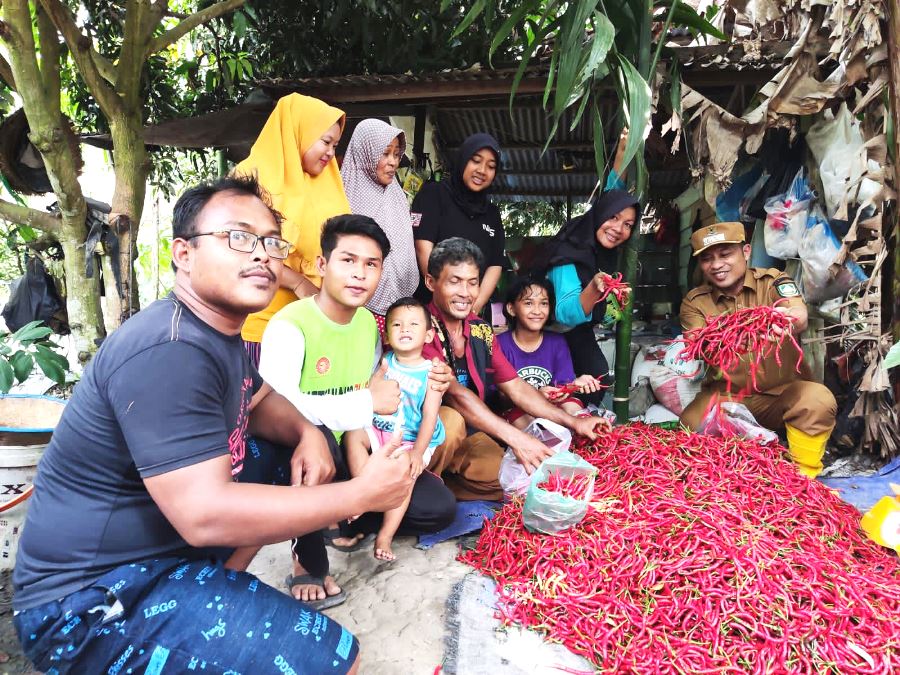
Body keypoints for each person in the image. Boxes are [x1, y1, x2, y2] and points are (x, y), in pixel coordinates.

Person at [11, 175, 413, 674]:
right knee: (337, 663)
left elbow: (265, 401)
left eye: (271, 242)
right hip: (91, 602)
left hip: (163, 553)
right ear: (183, 253)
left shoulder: (221, 335)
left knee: (277, 449)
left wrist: (309, 434)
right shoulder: (170, 349)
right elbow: (205, 513)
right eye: (238, 238)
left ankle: (213, 594)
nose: (262, 255)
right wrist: (364, 495)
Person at [258, 215, 456, 602]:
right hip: (301, 448)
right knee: (312, 450)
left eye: (371, 264)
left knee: (439, 508)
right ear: (321, 265)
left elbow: (379, 389)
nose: (359, 274)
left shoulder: (368, 325)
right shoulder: (289, 325)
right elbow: (276, 407)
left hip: (356, 447)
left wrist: (433, 379)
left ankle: (337, 515)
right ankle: (307, 557)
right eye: (348, 260)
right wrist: (364, 403)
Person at [421, 237, 608, 500]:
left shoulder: (480, 330)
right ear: (431, 282)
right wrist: (517, 439)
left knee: (507, 480)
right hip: (424, 432)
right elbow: (457, 397)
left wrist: (575, 422)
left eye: (472, 283)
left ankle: (442, 490)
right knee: (450, 423)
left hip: (471, 430)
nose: (465, 292)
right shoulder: (420, 327)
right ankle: (416, 487)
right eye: (455, 281)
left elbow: (516, 386)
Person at [678, 221, 837, 476]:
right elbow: (697, 344)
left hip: (781, 396)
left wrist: (786, 320)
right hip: (728, 397)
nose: (717, 265)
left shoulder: (773, 281)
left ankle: (803, 477)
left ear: (746, 251)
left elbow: (798, 313)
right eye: (707, 259)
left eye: (725, 254)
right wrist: (728, 339)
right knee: (688, 426)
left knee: (817, 399)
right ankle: (732, 471)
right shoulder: (695, 302)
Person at [236, 93, 351, 363]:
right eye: (325, 142)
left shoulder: (328, 182)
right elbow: (243, 249)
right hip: (263, 324)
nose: (330, 153)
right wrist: (298, 281)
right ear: (299, 132)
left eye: (335, 144)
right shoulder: (252, 177)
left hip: (314, 323)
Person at [344, 297, 447, 561]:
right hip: (381, 428)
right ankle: (362, 491)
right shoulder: (385, 362)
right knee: (353, 435)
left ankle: (385, 535)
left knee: (405, 476)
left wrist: (417, 454)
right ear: (387, 334)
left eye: (413, 324)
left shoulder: (432, 372)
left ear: (428, 336)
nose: (405, 329)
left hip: (412, 440)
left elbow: (429, 417)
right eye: (397, 324)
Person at [341, 118, 419, 336]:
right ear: (366, 152)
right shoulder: (344, 196)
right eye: (385, 153)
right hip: (355, 310)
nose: (393, 162)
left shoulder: (397, 195)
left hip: (398, 311)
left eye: (396, 154)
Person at [412, 132, 505, 314]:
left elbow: (495, 265)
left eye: (491, 166)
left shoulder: (492, 213)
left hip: (470, 311)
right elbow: (422, 247)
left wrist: (472, 308)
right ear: (463, 159)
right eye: (475, 160)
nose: (482, 170)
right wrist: (442, 296)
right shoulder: (434, 194)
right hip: (430, 307)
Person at [496, 275, 606, 427]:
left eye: (544, 304)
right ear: (511, 308)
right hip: (518, 409)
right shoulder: (499, 344)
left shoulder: (557, 342)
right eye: (528, 303)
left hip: (555, 405)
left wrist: (575, 384)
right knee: (528, 423)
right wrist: (536, 395)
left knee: (573, 409)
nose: (537, 311)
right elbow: (499, 397)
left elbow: (563, 387)